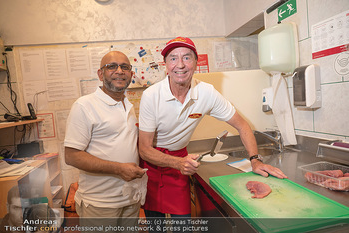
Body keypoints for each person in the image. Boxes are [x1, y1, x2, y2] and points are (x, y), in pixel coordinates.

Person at [138, 37, 287, 221]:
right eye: (173, 58)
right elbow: (144, 149)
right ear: (165, 65)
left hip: (180, 160)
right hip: (153, 162)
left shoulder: (206, 93)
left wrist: (255, 160)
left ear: (196, 62)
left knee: (183, 224)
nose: (180, 65)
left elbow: (242, 125)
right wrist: (177, 163)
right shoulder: (151, 96)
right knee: (156, 225)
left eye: (187, 58)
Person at [64, 51, 146, 232]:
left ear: (131, 74)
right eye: (112, 66)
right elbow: (71, 156)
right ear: (101, 74)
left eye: (125, 67)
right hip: (100, 205)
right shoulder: (84, 105)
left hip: (130, 200)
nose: (119, 71)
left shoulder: (128, 105)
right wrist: (119, 169)